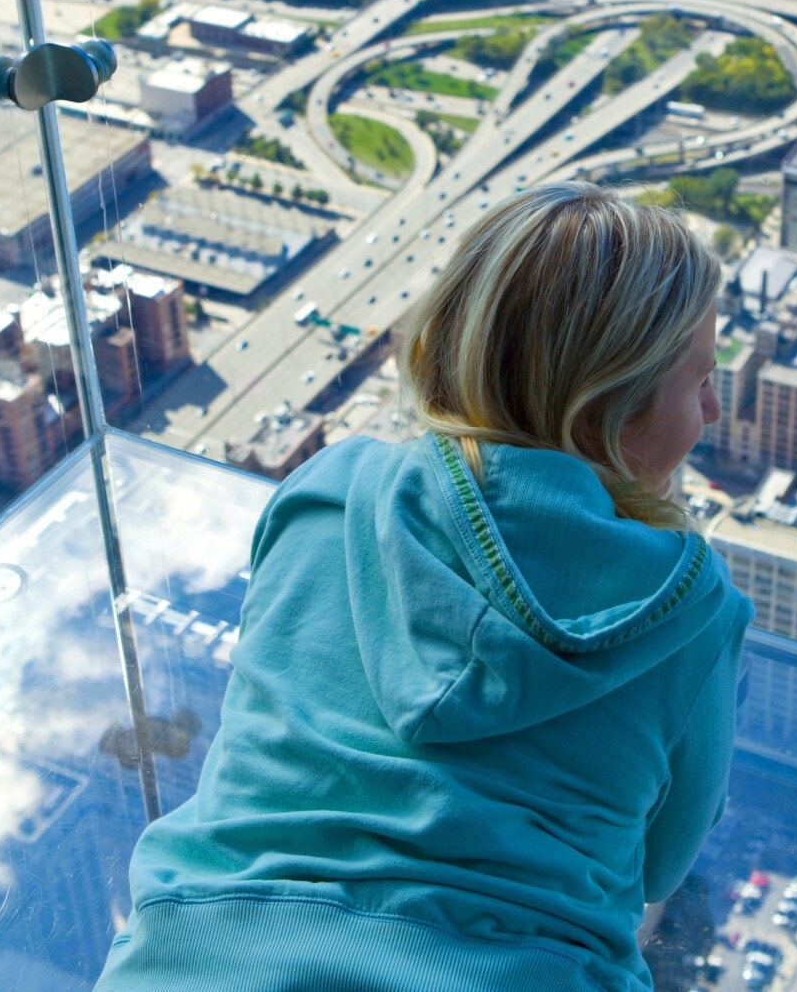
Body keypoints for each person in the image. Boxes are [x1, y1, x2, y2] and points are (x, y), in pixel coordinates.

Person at [96, 183, 752, 991]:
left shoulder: (328, 495)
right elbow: (665, 860)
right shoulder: (688, 609)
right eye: (699, 383)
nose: (714, 409)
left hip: (198, 958)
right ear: (604, 415)